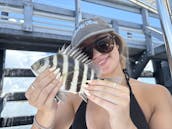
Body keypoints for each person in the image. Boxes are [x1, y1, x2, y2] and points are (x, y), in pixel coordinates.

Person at [25, 17, 172, 129]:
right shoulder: (72, 98)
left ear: (116, 45)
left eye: (103, 44)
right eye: (85, 52)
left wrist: (124, 122)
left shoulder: (157, 94)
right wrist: (44, 112)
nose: (96, 55)